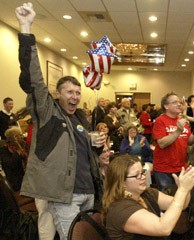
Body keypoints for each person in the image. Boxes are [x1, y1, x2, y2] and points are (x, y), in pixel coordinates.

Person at [15, 3, 105, 239]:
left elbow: (80, 150)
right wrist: (26, 28)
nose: (75, 96)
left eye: (77, 93)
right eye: (69, 92)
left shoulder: (80, 118)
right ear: (58, 94)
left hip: (88, 192)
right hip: (63, 194)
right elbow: (34, 78)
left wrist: (96, 147)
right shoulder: (49, 113)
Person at [101, 155, 194, 239]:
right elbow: (163, 228)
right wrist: (183, 190)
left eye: (143, 172)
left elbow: (182, 205)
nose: (143, 177)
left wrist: (185, 189)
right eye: (137, 175)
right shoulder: (121, 209)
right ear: (122, 183)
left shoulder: (146, 193)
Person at [152, 92, 194, 190]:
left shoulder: (183, 120)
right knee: (169, 198)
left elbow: (189, 141)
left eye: (179, 102)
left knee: (182, 197)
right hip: (164, 169)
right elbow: (162, 143)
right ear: (166, 106)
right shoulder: (160, 121)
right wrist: (178, 131)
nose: (179, 104)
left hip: (181, 167)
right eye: (174, 102)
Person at [0, 127, 28, 192]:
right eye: (19, 135)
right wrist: (18, 151)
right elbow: (11, 164)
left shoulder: (24, 145)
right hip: (18, 182)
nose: (22, 137)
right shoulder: (4, 150)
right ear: (14, 137)